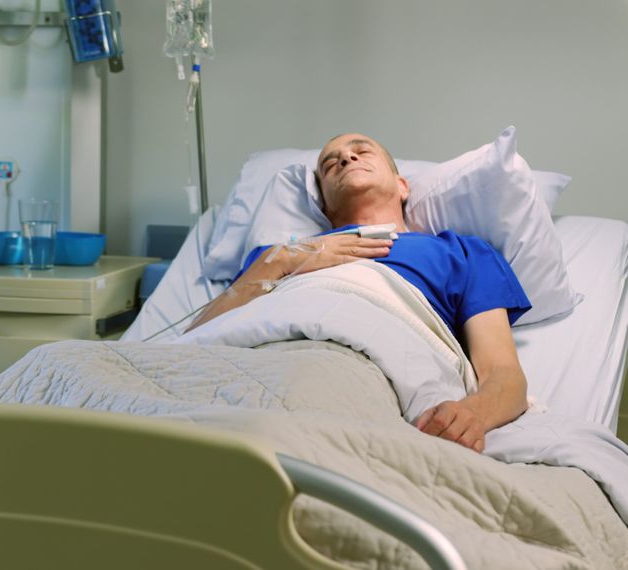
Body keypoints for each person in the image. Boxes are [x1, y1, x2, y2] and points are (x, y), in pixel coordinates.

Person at [187, 133, 532, 454]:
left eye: (362, 150)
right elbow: (195, 336)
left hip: (359, 362)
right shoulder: (277, 256)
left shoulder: (462, 252)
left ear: (402, 186)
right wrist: (279, 261)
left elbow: (502, 373)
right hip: (254, 358)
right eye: (329, 163)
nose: (347, 157)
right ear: (325, 206)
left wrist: (472, 414)